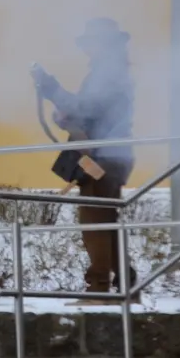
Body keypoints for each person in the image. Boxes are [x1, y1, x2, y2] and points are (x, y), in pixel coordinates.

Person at [31, 18, 137, 303]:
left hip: (104, 156)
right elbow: (88, 113)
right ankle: (128, 285)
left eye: (92, 42)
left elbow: (86, 108)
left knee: (95, 224)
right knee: (105, 222)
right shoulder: (109, 73)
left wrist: (52, 89)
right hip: (109, 155)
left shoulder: (108, 74)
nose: (88, 48)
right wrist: (67, 115)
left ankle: (99, 289)